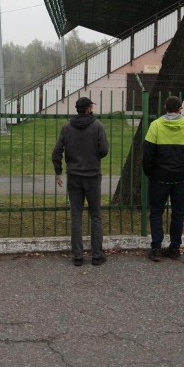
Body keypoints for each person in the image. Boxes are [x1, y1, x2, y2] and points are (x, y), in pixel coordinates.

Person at [142, 96, 184, 261]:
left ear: (165, 106)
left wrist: (149, 171)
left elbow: (148, 153)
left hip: (159, 177)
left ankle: (156, 248)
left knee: (157, 212)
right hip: (180, 177)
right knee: (178, 213)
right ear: (181, 108)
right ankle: (174, 248)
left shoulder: (156, 125)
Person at [52, 96, 109, 266]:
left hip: (74, 176)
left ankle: (77, 255)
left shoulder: (67, 127)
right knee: (95, 215)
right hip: (92, 176)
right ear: (89, 109)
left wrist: (58, 172)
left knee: (76, 215)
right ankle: (97, 254)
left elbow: (56, 152)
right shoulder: (98, 126)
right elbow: (104, 150)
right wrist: (93, 157)